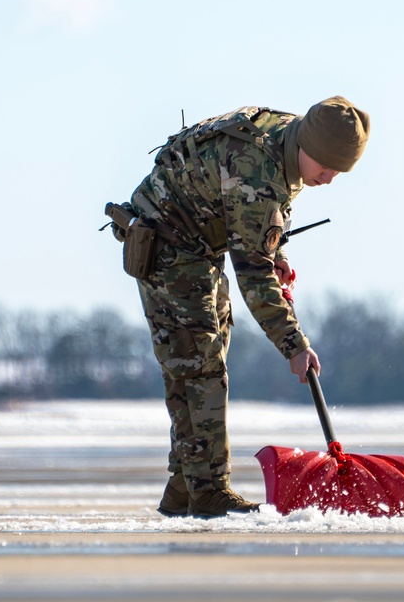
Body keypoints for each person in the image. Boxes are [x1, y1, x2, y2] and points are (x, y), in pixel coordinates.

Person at [108, 96, 370, 518]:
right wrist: (294, 345)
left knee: (196, 359)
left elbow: (261, 216)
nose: (330, 177)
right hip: (167, 243)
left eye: (340, 170)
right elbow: (253, 276)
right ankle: (208, 490)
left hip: (199, 244)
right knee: (200, 362)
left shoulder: (289, 142)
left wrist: (274, 249)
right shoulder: (258, 166)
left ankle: (184, 486)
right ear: (308, 145)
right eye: (326, 165)